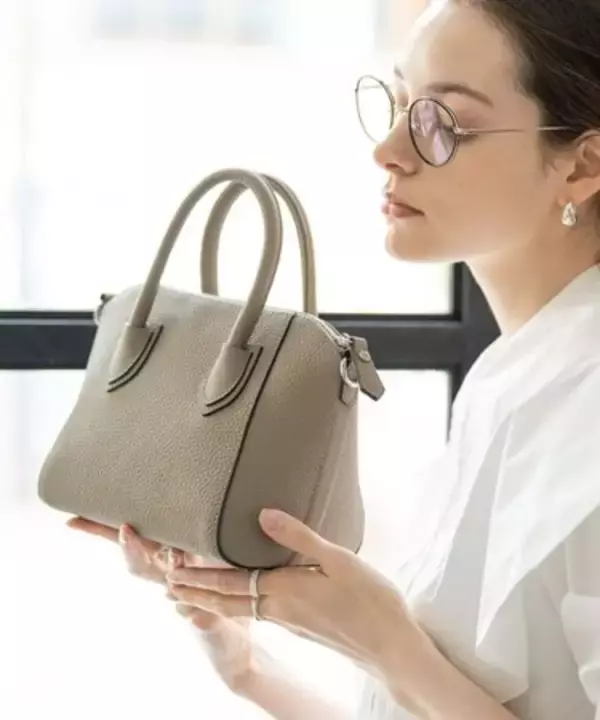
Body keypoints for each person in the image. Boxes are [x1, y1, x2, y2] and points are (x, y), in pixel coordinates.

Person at [67, 0, 600, 717]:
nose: (388, 149)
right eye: (398, 102)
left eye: (442, 122)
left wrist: (384, 642)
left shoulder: (579, 401)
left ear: (583, 165)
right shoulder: (514, 376)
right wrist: (248, 667)